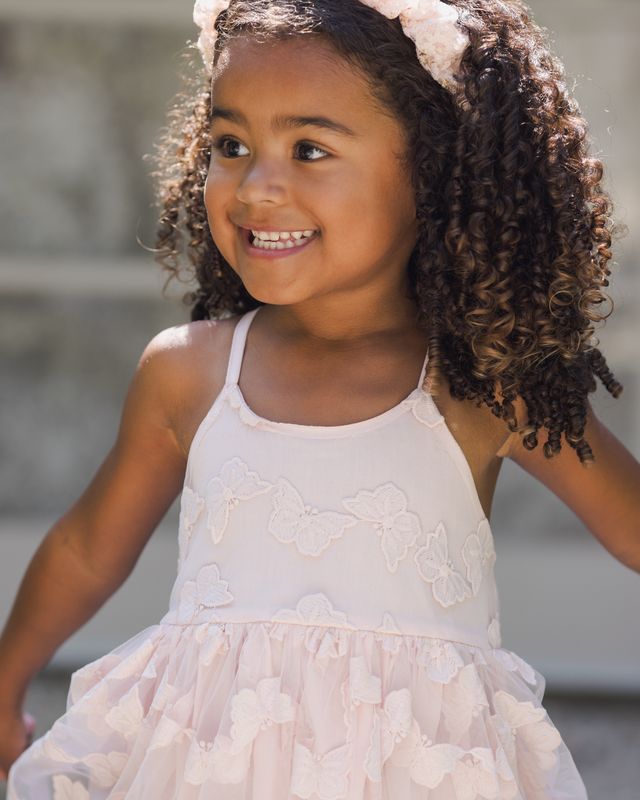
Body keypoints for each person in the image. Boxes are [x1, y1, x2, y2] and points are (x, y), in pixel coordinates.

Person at [2, 0, 639, 796]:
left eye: (309, 149)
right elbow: (86, 550)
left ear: (432, 171)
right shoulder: (189, 374)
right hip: (205, 768)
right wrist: (6, 679)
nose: (257, 186)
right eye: (231, 145)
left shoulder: (480, 384)